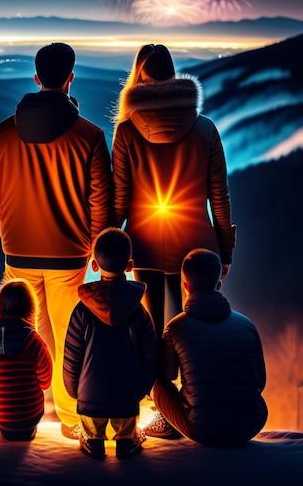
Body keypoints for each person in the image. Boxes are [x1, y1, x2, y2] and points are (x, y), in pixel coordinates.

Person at [0, 42, 112, 439]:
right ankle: (72, 419)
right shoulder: (88, 135)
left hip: (17, 251)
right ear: (70, 78)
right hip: (69, 255)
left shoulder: (1, 134)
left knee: (15, 332)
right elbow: (100, 199)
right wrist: (96, 246)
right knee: (70, 338)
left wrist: (8, 226)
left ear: (36, 79)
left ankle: (10, 410)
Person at [111, 43, 236, 435]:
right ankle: (197, 403)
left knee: (154, 330)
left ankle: (164, 411)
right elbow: (220, 194)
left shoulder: (128, 131)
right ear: (173, 76)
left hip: (145, 244)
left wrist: (114, 248)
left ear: (139, 78)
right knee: (197, 328)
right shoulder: (205, 129)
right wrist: (225, 248)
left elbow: (120, 197)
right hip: (198, 247)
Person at [151, 248, 268, 446]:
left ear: (185, 285)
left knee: (157, 381)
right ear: (218, 283)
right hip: (251, 425)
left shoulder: (175, 327)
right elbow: (261, 383)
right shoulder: (246, 324)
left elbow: (167, 378)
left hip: (202, 429)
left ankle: (166, 425)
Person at [63, 227, 157, 459]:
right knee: (127, 430)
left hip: (90, 399)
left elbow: (72, 355)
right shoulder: (139, 311)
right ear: (130, 265)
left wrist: (74, 390)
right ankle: (126, 441)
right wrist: (142, 389)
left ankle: (93, 442)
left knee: (91, 430)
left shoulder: (81, 310)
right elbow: (150, 354)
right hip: (128, 397)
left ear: (94, 265)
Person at [0, 277, 52, 441]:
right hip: (30, 418)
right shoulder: (35, 342)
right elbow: (45, 381)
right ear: (30, 308)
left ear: (0, 307)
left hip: (3, 420)